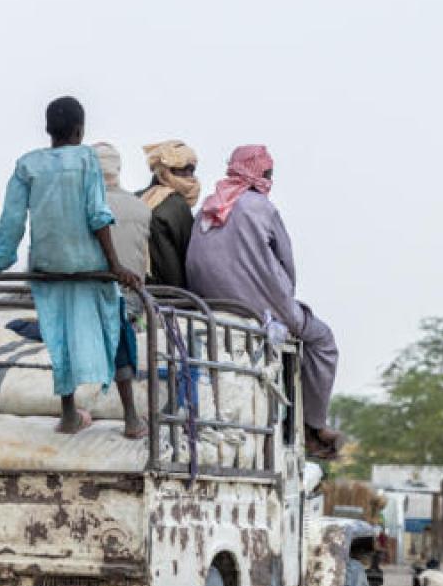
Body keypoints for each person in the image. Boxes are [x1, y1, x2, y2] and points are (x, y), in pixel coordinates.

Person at [0, 97, 146, 439]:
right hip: (90, 266)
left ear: (48, 130)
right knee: (116, 327)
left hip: (48, 267)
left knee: (59, 334)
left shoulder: (27, 165)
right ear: (80, 131)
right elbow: (97, 214)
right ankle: (132, 419)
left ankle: (68, 414)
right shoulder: (86, 159)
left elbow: (12, 221)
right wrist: (116, 266)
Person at [186, 145, 342, 459]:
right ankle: (314, 425)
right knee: (322, 339)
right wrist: (286, 300)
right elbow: (287, 264)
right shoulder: (262, 208)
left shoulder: (208, 205)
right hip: (257, 305)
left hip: (206, 302)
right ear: (262, 175)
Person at [94, 142, 152, 313]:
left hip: (92, 305)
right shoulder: (142, 207)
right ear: (118, 169)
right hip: (133, 303)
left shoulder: (79, 205)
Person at [139, 140, 201, 288]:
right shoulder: (177, 204)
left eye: (191, 170)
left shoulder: (136, 198)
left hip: (138, 288)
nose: (189, 176)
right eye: (182, 169)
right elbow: (189, 255)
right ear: (164, 171)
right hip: (170, 294)